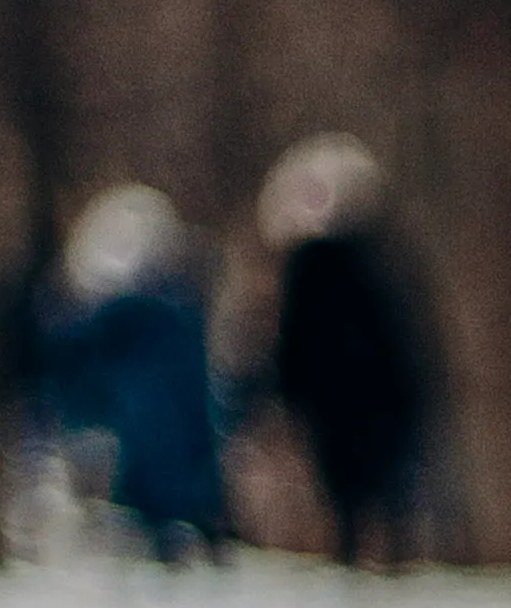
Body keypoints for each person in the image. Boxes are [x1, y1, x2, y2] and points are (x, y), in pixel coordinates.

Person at [254, 136, 438, 568]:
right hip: (352, 399)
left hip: (345, 400)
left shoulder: (338, 263)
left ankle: (365, 553)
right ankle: (371, 554)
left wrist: (286, 390)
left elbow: (292, 340)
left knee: (357, 488)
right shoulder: (367, 260)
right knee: (365, 487)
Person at [30, 186, 229, 562]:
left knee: (148, 508)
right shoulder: (170, 315)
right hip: (144, 451)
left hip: (143, 449)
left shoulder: (140, 319)